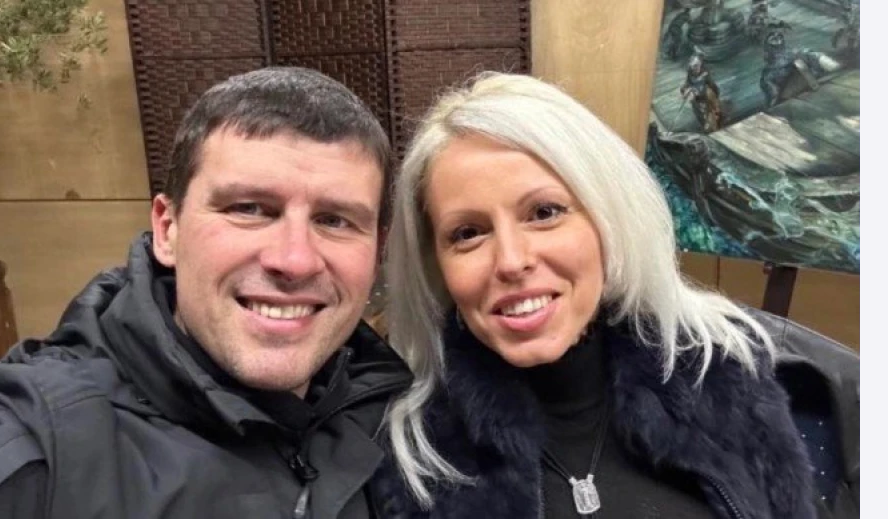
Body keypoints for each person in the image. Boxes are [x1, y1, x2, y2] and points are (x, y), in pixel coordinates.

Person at [368, 73, 859, 518]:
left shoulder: (745, 381)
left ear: (607, 219)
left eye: (544, 213)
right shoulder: (403, 459)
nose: (512, 261)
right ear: (436, 263)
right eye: (468, 233)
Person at [0, 67, 412, 518]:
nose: (294, 260)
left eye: (334, 220)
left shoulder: (408, 435)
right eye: (249, 209)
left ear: (377, 251)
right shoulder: (30, 452)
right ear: (167, 230)